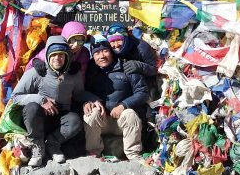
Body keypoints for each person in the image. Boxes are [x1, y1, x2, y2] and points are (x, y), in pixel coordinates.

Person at [11, 36, 98, 167]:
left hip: (60, 118)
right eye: (54, 54)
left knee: (75, 121)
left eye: (61, 55)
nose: (57, 58)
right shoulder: (36, 73)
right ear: (48, 56)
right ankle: (38, 147)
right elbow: (16, 97)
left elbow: (79, 94)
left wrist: (94, 99)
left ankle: (52, 144)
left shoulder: (74, 74)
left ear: (67, 56)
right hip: (40, 119)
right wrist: (41, 100)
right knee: (32, 108)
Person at [83, 39, 149, 161]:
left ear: (111, 52)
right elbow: (82, 91)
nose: (102, 56)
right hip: (102, 121)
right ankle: (93, 153)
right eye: (97, 53)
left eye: (105, 51)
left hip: (122, 121)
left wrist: (124, 105)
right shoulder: (90, 71)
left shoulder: (127, 67)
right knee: (90, 114)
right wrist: (87, 102)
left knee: (130, 114)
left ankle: (133, 155)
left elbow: (143, 92)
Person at [26, 21, 90, 78]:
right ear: (65, 38)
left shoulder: (84, 53)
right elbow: (28, 73)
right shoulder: (53, 48)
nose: (76, 44)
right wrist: (35, 62)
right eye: (72, 40)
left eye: (80, 41)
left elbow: (82, 78)